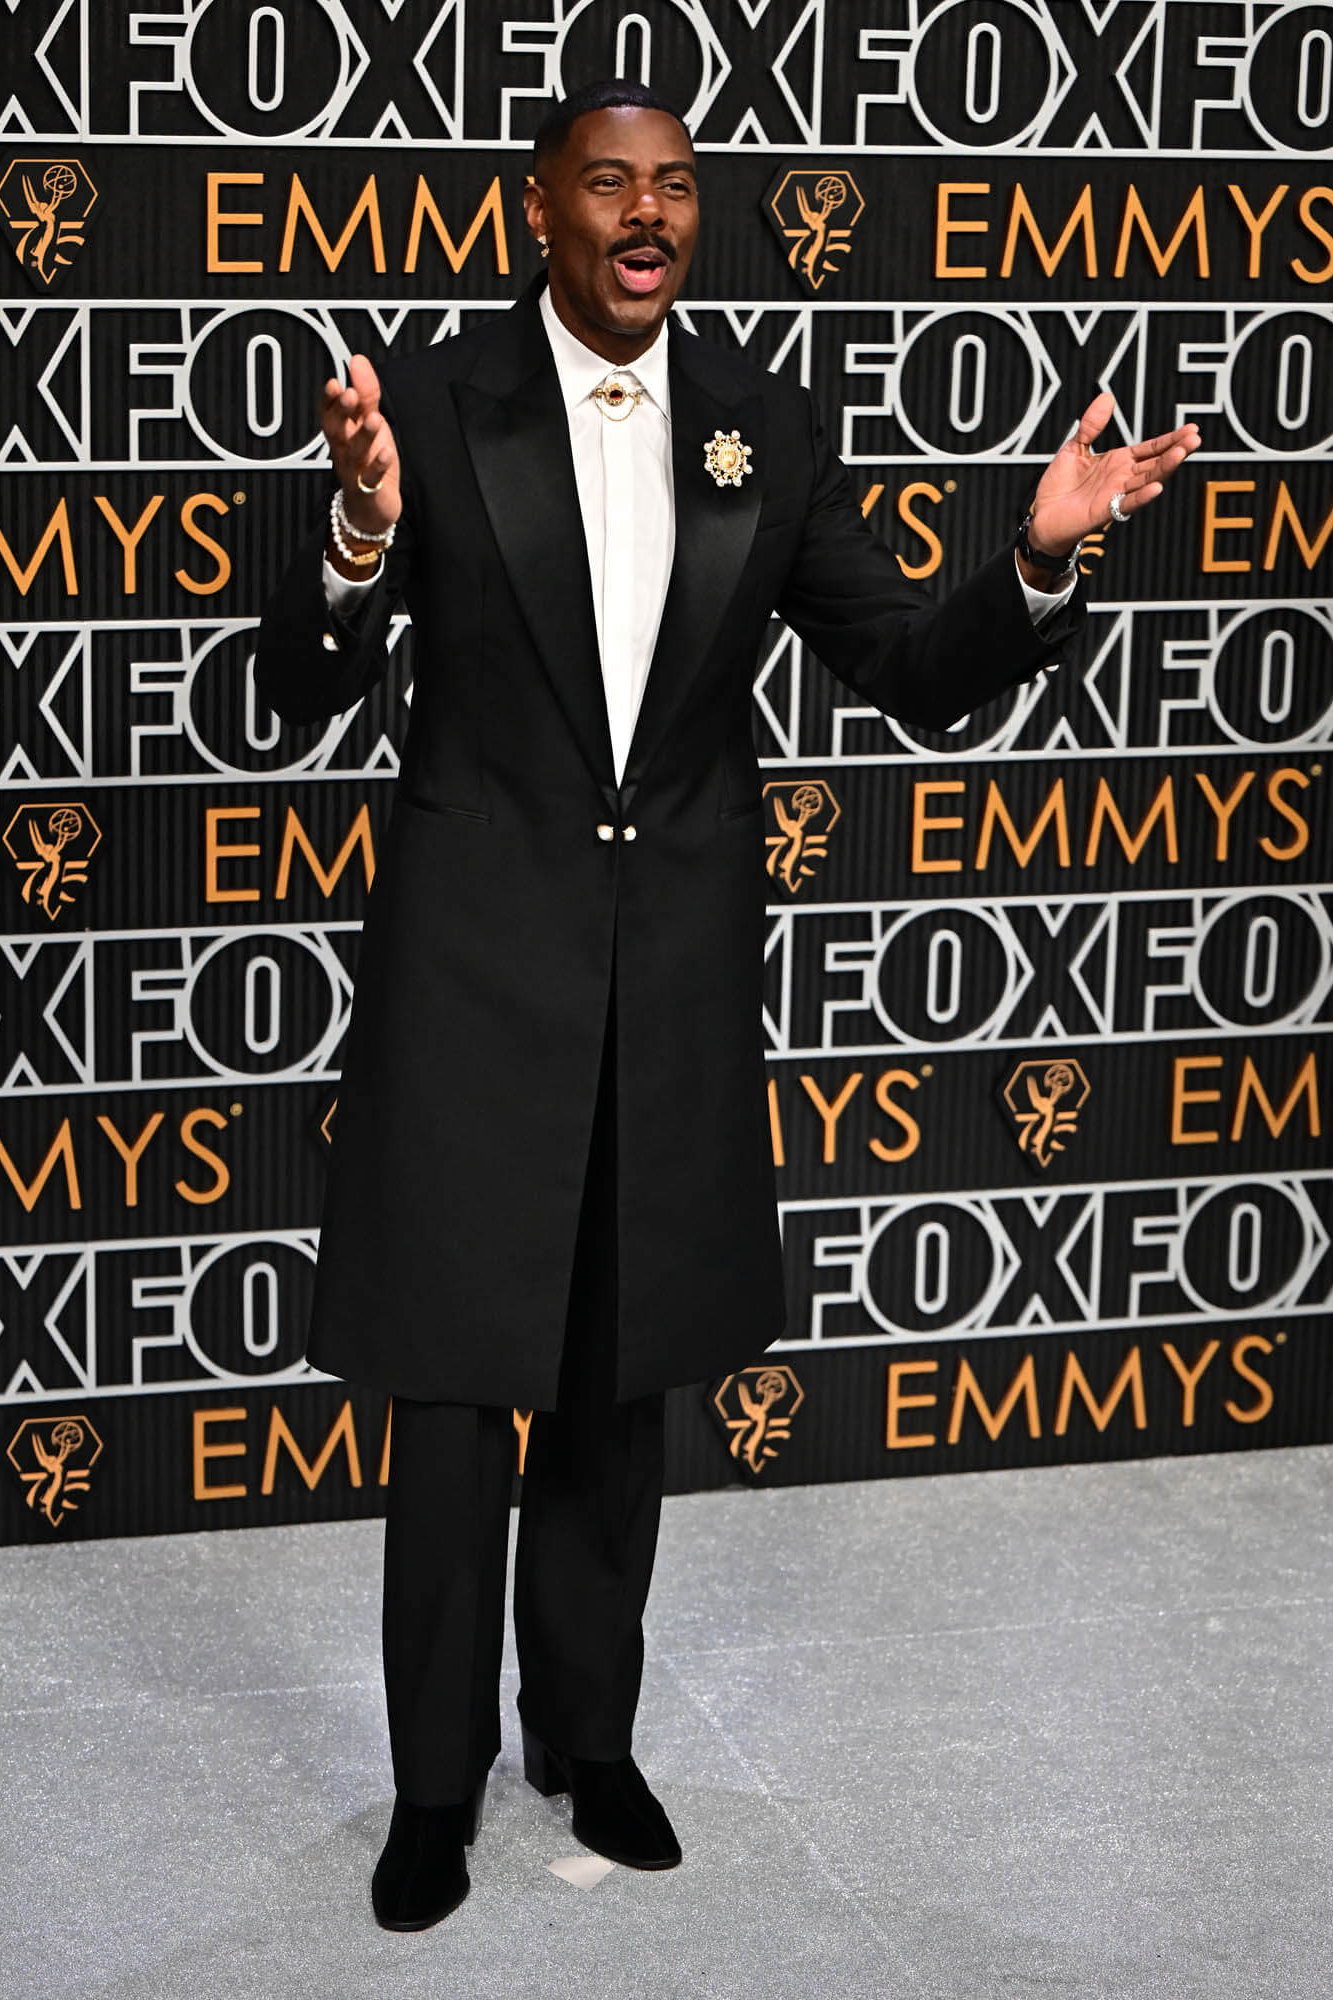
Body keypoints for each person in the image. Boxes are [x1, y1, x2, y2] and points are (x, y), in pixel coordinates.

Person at [254, 78, 1199, 1933]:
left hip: (667, 986)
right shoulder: (429, 406)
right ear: (539, 210)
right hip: (469, 987)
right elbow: (291, 689)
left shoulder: (766, 421)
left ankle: (585, 1743)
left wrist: (1037, 555)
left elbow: (905, 668)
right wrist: (358, 535)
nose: (647, 212)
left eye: (675, 185)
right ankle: (433, 1794)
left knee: (620, 1393)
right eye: (608, 183)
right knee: (452, 1407)